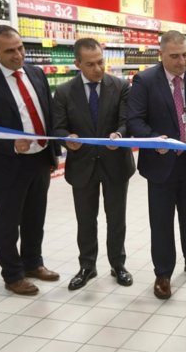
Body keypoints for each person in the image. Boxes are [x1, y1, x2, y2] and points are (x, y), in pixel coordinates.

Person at [0, 25, 60, 296]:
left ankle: (33, 263)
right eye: (9, 51)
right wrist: (9, 144)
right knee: (8, 222)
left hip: (39, 159)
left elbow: (47, 113)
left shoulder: (36, 74)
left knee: (35, 217)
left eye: (20, 48)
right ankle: (12, 274)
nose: (18, 55)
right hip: (8, 165)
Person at [127, 30, 186, 300]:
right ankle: (163, 273)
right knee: (162, 221)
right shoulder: (144, 80)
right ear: (161, 55)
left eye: (185, 55)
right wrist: (153, 139)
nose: (181, 62)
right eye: (175, 56)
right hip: (161, 162)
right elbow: (135, 120)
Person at [52, 38, 136, 291]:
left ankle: (118, 264)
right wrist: (68, 139)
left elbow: (127, 121)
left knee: (117, 217)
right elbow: (58, 127)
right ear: (77, 63)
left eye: (101, 62)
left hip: (115, 163)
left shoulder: (121, 86)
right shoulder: (65, 92)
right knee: (86, 219)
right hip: (82, 165)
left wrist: (119, 136)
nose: (98, 69)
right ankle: (87, 266)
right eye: (90, 64)